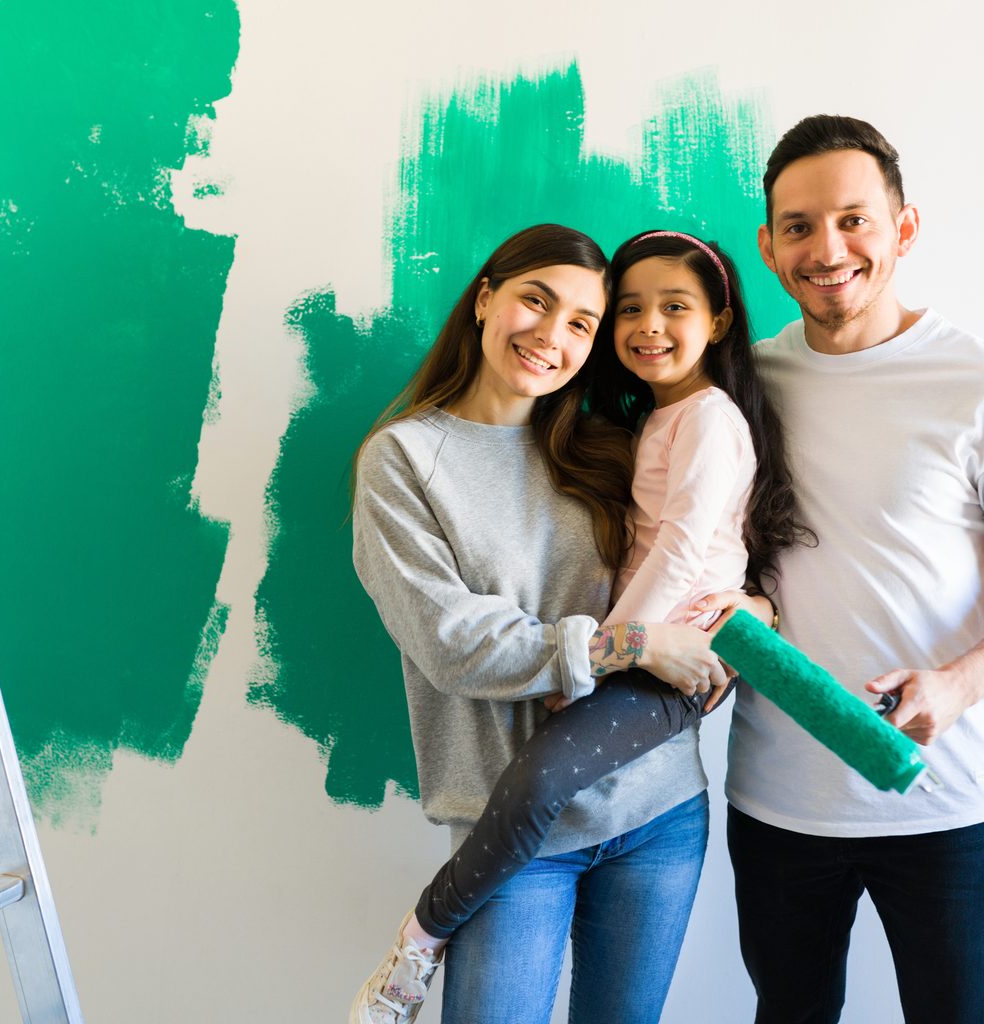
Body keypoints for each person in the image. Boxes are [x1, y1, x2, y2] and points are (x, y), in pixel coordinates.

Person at [351, 225, 800, 1024]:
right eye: (536, 301)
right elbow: (454, 642)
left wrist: (754, 611)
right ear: (486, 297)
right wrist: (629, 645)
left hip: (659, 811)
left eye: (582, 324)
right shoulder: (404, 460)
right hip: (514, 828)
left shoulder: (602, 445)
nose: (551, 336)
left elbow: (705, 542)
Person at [721, 115, 984, 1024]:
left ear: (903, 228)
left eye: (853, 219)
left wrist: (956, 684)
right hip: (777, 803)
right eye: (797, 226)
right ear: (769, 245)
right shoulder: (744, 388)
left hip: (946, 806)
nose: (826, 248)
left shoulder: (972, 380)